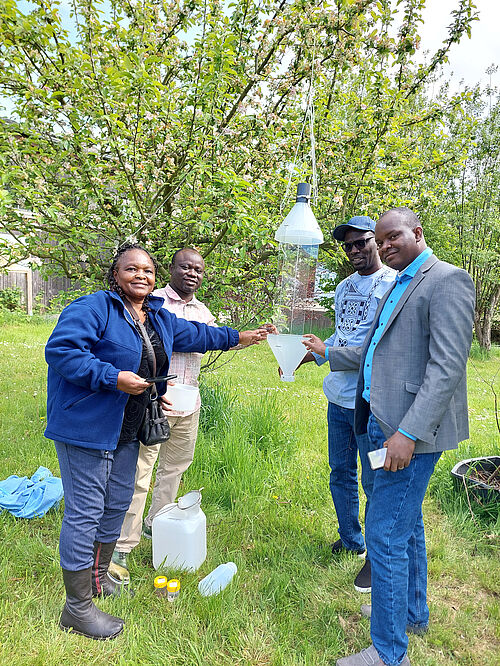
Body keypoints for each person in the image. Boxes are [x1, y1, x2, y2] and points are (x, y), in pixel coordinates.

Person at [44, 244, 268, 640]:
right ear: (115, 274)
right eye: (132, 269)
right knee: (86, 510)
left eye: (147, 270)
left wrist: (241, 337)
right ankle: (76, 608)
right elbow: (62, 352)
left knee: (115, 504)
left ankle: (99, 578)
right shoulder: (94, 308)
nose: (141, 275)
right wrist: (114, 377)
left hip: (130, 426)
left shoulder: (157, 317)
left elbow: (199, 333)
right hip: (87, 427)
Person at [304, 208, 475, 666]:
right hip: (378, 420)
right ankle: (409, 615)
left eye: (392, 237)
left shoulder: (447, 280)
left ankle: (386, 650)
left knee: (383, 533)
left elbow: (446, 369)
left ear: (418, 232)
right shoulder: (398, 282)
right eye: (379, 241)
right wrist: (324, 354)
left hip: (407, 432)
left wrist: (408, 434)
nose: (383, 246)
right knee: (407, 525)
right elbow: (370, 350)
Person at [291, 216, 395, 595]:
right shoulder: (345, 287)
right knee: (340, 471)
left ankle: (375, 557)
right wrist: (307, 355)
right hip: (337, 397)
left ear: (377, 242)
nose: (354, 250)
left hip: (370, 401)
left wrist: (328, 352)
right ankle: (351, 538)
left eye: (361, 242)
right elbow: (341, 334)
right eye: (347, 245)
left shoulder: (392, 285)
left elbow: (376, 349)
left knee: (374, 480)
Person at [110, 248, 219, 585]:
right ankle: (122, 546)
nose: (192, 274)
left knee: (174, 470)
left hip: (190, 404)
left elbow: (210, 340)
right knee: (141, 472)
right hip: (154, 403)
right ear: (170, 269)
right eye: (185, 267)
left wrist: (251, 336)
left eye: (198, 270)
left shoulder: (203, 311)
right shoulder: (153, 304)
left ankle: (159, 526)